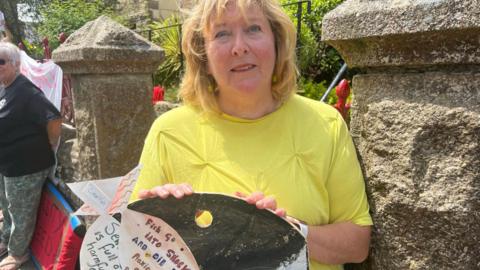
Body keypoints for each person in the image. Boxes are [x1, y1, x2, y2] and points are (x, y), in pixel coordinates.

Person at [130, 0, 372, 269]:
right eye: (222, 34)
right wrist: (162, 218)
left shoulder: (326, 124)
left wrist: (286, 231)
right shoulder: (169, 132)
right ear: (204, 57)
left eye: (253, 29)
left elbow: (357, 243)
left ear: (277, 44)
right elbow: (133, 246)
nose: (239, 47)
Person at [0, 42, 61, 270]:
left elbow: (53, 118)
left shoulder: (26, 90)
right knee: (7, 207)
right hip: (8, 165)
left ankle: (18, 253)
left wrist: (51, 143)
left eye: (1, 62)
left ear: (16, 65)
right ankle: (6, 240)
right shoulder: (6, 87)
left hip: (26, 166)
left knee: (20, 211)